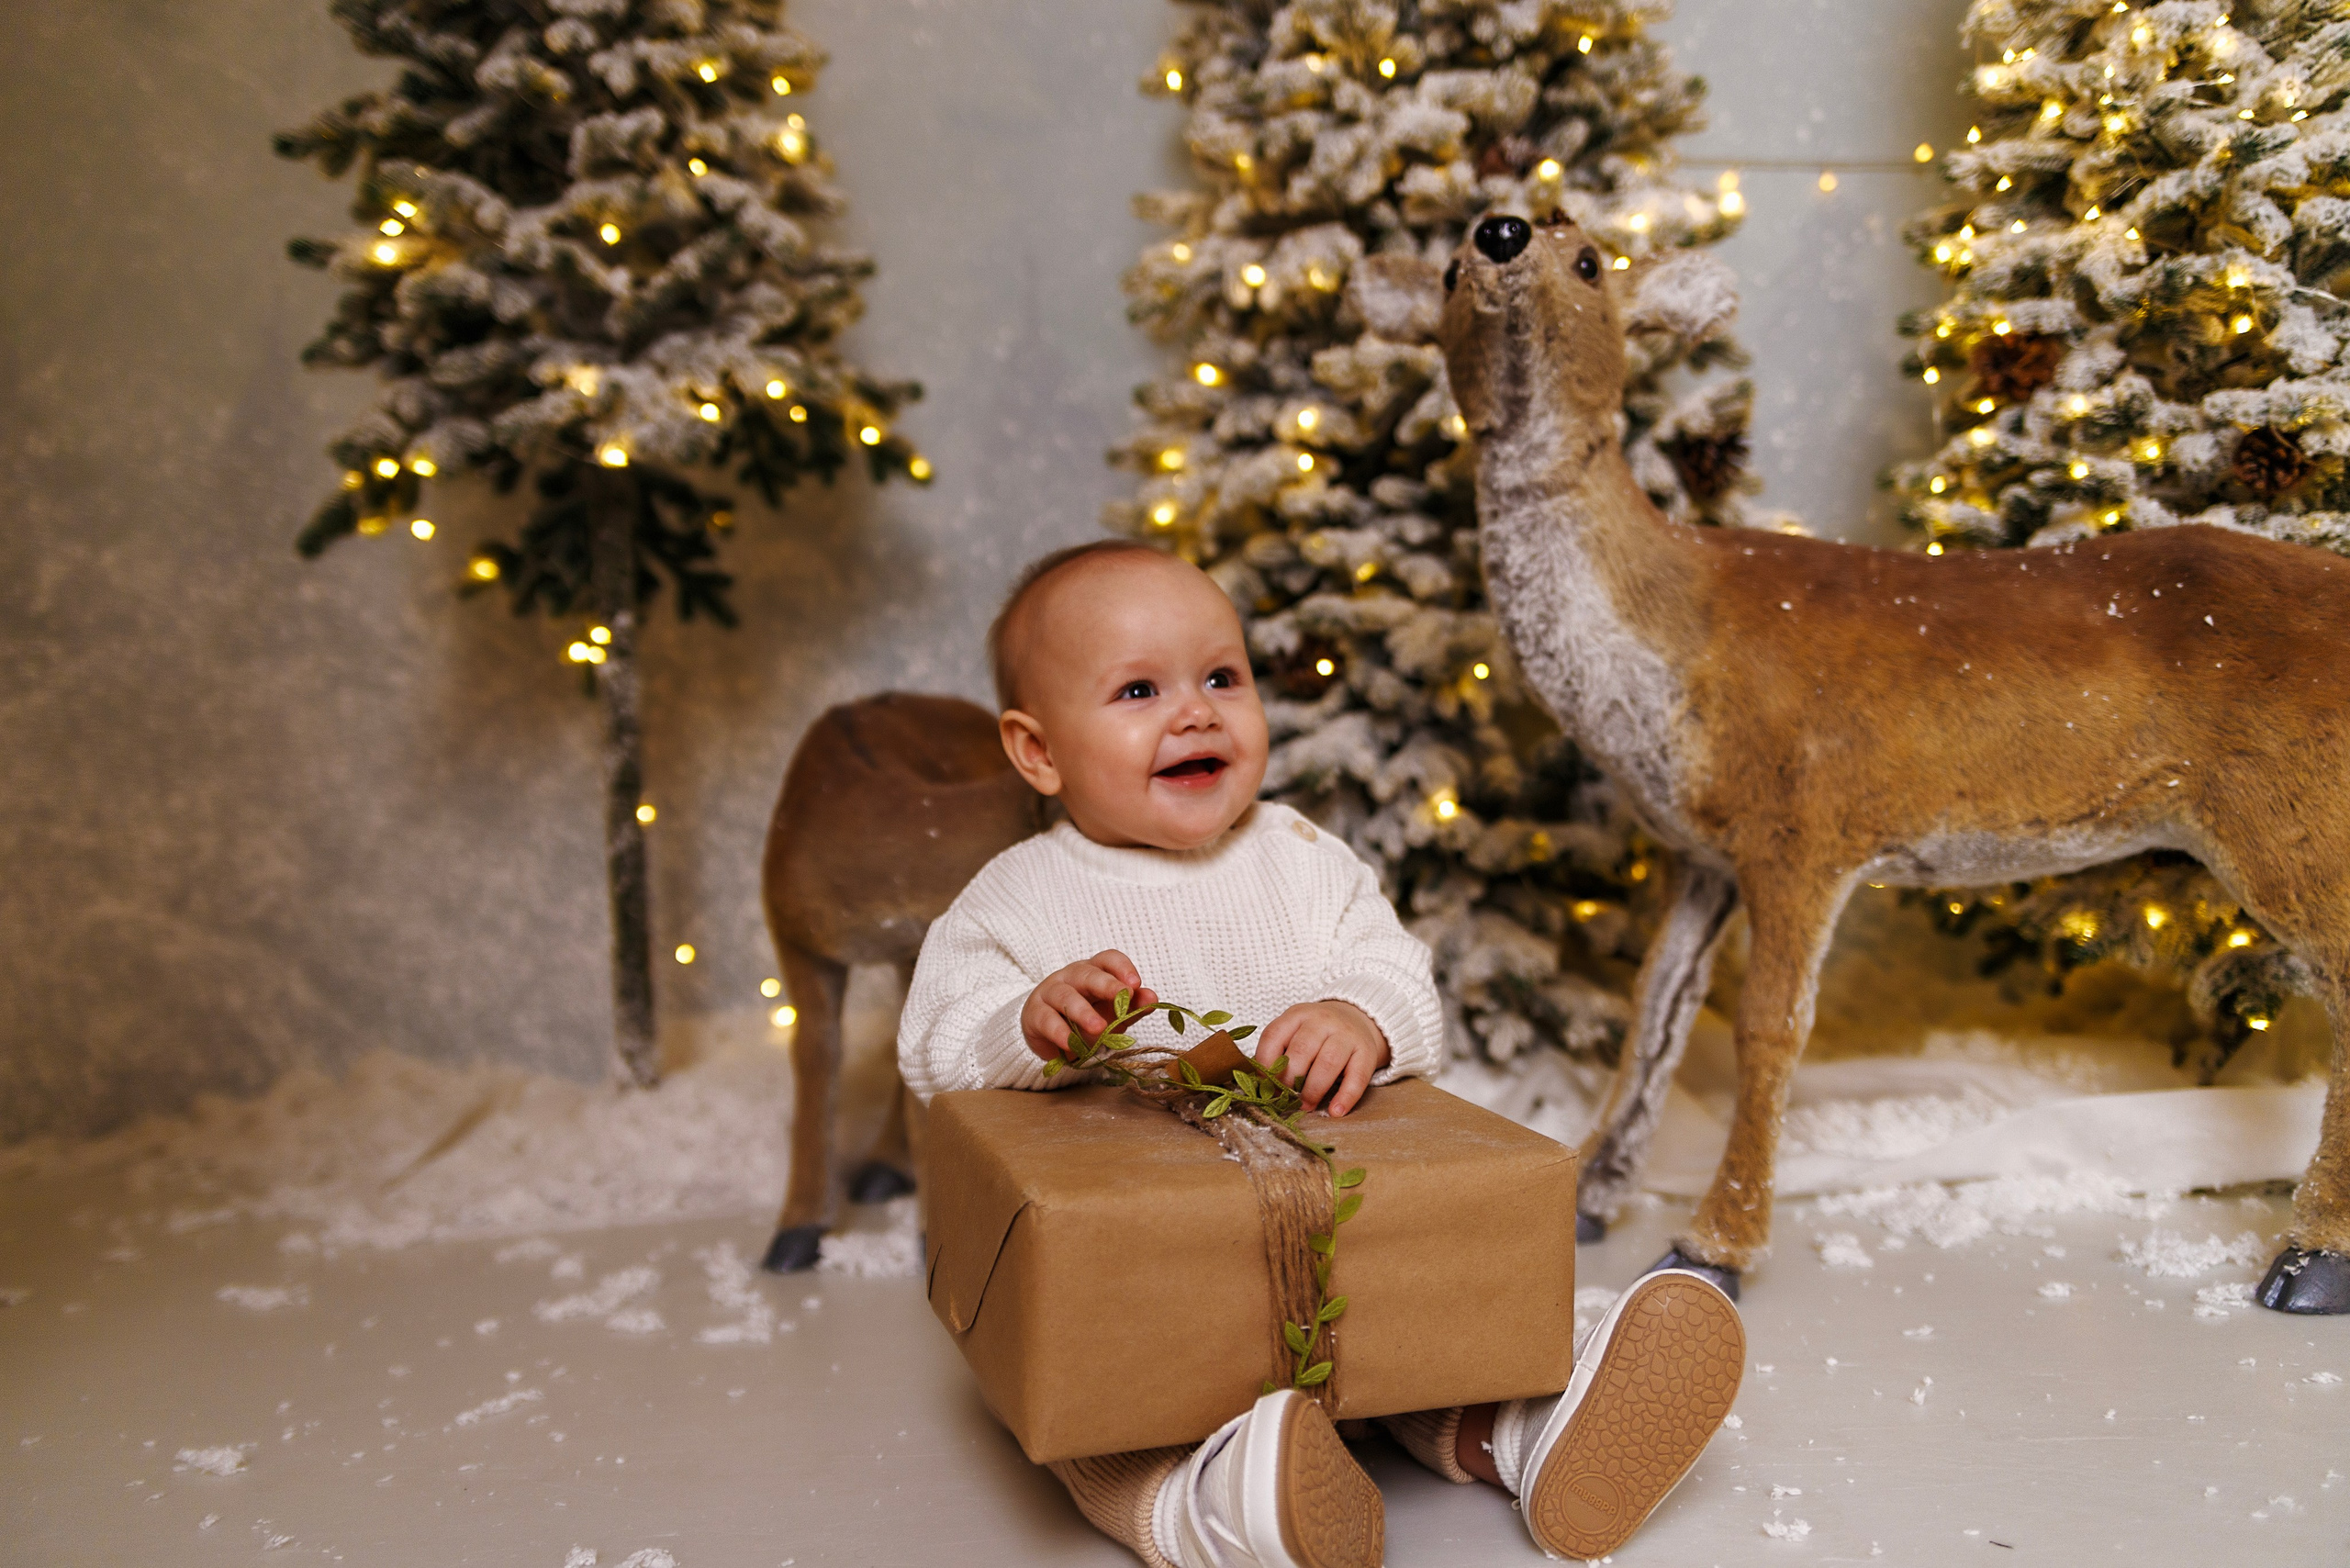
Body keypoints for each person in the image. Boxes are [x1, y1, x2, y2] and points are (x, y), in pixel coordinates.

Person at [899, 540, 1744, 1568]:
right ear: (1038, 752)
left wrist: (1361, 1013)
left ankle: (1520, 1433)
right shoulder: (1017, 896)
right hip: (1143, 1270)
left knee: (1414, 1347)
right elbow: (934, 1047)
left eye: (1222, 676)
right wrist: (1024, 1022)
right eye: (1137, 689)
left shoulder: (1300, 857)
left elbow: (1395, 969)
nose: (1197, 711)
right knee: (1110, 1408)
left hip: (1340, 1229)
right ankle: (1212, 1507)